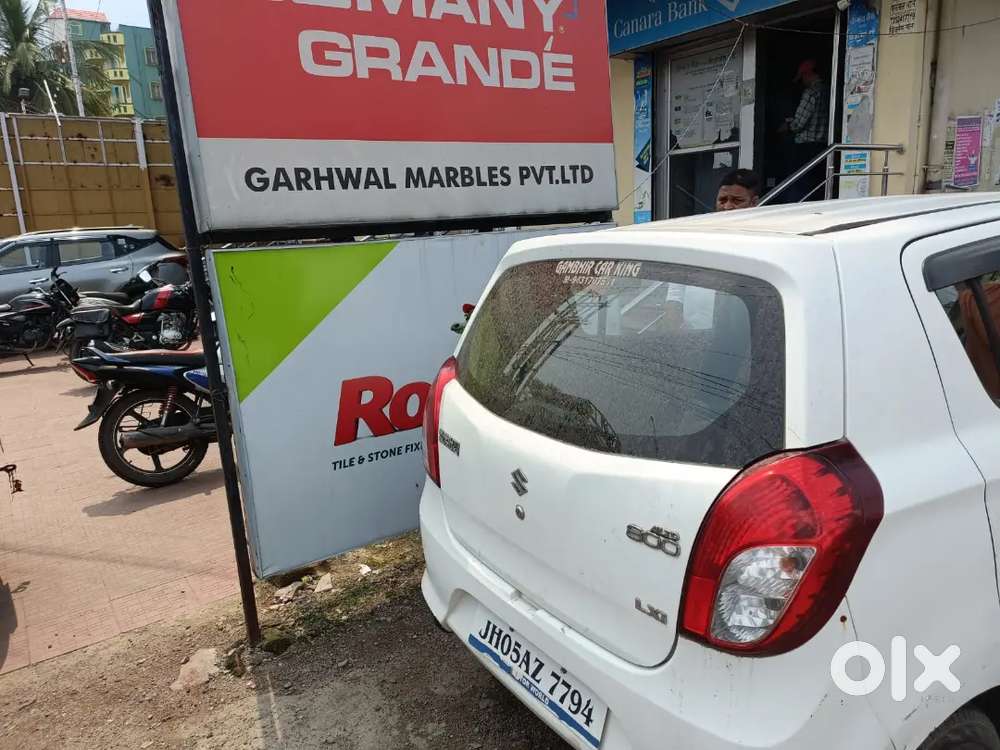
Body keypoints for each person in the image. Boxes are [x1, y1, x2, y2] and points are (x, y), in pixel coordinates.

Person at [779, 59, 829, 202]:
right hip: (822, 146)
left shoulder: (810, 93)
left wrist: (786, 126)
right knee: (818, 185)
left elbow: (799, 124)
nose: (802, 82)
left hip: (806, 147)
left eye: (802, 78)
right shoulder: (828, 90)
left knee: (800, 185)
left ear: (808, 74)